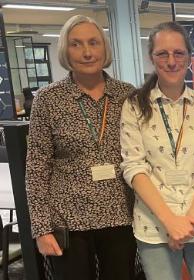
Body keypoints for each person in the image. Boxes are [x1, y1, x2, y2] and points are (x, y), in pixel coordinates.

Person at [25, 15, 136, 280]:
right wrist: (41, 229)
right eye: (76, 44)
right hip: (68, 220)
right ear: (65, 50)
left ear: (104, 48)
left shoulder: (127, 95)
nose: (87, 52)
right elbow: (37, 167)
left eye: (93, 43)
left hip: (120, 215)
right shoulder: (48, 99)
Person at [120, 21, 194, 280]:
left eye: (178, 53)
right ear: (151, 58)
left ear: (189, 58)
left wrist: (188, 221)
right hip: (155, 226)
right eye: (162, 54)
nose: (171, 61)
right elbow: (134, 167)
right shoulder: (134, 106)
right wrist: (170, 221)